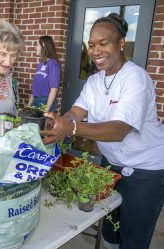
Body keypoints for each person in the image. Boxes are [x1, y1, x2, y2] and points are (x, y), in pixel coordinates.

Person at [41, 13, 164, 249]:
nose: (95, 51)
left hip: (145, 170)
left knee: (133, 236)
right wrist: (60, 122)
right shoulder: (95, 81)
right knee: (108, 227)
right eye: (91, 45)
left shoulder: (135, 78)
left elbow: (120, 130)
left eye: (103, 43)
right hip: (111, 163)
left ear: (121, 44)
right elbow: (76, 112)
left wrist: (72, 128)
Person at [28, 36, 61, 112]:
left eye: (37, 45)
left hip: (45, 101)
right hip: (35, 100)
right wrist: (29, 105)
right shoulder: (41, 64)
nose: (36, 48)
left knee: (43, 124)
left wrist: (46, 109)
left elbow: (54, 89)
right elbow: (35, 88)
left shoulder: (53, 64)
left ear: (43, 45)